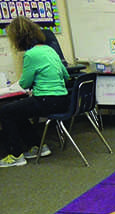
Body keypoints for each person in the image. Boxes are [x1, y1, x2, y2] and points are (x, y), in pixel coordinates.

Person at [0, 16, 70, 168]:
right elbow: (66, 75)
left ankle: (16, 155)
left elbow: (24, 83)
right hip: (63, 100)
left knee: (5, 111)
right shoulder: (49, 49)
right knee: (16, 110)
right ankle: (37, 146)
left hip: (47, 101)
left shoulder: (31, 55)